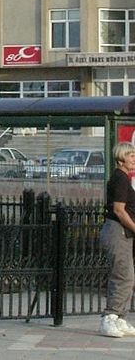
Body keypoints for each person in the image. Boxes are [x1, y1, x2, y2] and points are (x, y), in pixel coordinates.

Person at [100, 141, 135, 337]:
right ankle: (110, 317)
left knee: (128, 276)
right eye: (131, 155)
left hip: (123, 233)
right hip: (117, 231)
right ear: (121, 159)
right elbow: (119, 210)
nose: (134, 159)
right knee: (122, 275)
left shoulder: (123, 178)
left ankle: (120, 318)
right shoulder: (120, 179)